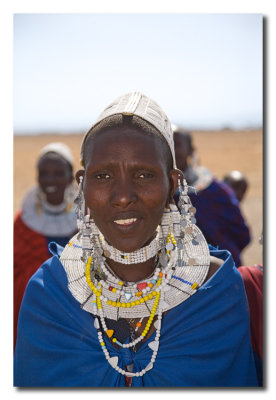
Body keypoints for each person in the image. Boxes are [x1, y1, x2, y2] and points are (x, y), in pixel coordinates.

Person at [14, 92, 258, 387]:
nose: (124, 196)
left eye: (144, 175)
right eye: (103, 176)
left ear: (172, 184)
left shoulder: (214, 288)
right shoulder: (50, 294)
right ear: (82, 185)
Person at [14, 142, 78, 349]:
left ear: (70, 177)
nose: (51, 180)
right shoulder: (22, 224)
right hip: (34, 316)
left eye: (59, 173)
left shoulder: (87, 221)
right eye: (44, 173)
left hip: (77, 319)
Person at [173, 126, 251, 267]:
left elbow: (241, 233)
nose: (171, 150)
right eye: (166, 144)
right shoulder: (150, 190)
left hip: (219, 273)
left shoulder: (213, 190)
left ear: (190, 150)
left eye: (176, 144)